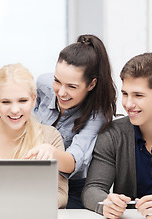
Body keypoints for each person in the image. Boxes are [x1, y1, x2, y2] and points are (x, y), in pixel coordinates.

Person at [82, 52, 152, 219]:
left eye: (138, 95)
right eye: (125, 94)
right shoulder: (113, 134)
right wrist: (106, 202)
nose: (128, 104)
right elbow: (91, 189)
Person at [0, 63, 68, 208]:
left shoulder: (51, 137)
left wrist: (13, 205)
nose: (15, 110)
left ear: (34, 99)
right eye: (6, 102)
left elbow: (61, 194)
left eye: (22, 100)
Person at [32, 34, 117, 208]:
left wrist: (50, 152)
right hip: (33, 181)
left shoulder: (97, 114)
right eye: (57, 81)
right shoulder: (43, 84)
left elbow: (73, 161)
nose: (61, 92)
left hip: (72, 189)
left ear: (91, 85)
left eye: (72, 86)